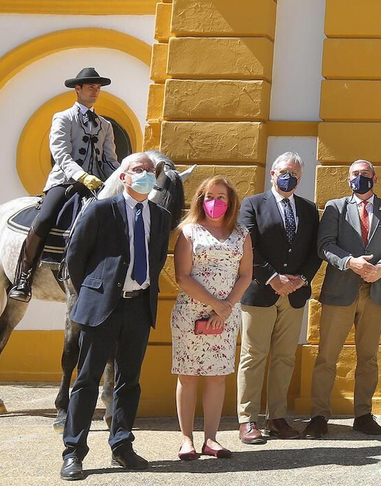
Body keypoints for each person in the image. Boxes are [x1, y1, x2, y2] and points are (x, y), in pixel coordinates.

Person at [59, 152, 172, 480]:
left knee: (129, 381)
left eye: (150, 171)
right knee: (87, 380)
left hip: (139, 307)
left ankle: (121, 444)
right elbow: (76, 257)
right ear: (124, 176)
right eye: (139, 170)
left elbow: (157, 259)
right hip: (102, 307)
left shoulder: (161, 216)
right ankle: (73, 451)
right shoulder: (100, 209)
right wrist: (94, 292)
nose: (146, 175)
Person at [309, 159, 381, 437]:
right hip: (340, 290)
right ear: (347, 178)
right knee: (327, 356)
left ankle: (363, 414)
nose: (360, 178)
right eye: (355, 174)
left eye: (365, 174)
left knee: (368, 357)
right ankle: (318, 415)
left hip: (374, 291)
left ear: (375, 178)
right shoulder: (335, 207)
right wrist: (350, 261)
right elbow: (324, 245)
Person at [11, 67, 118, 301]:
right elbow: (61, 154)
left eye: (98, 88)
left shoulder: (106, 125)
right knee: (46, 217)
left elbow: (110, 160)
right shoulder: (63, 118)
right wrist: (82, 176)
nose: (95, 91)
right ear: (77, 89)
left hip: (97, 184)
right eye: (91, 87)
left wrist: (122, 176)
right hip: (67, 181)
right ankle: (23, 277)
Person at [235, 152, 321, 444]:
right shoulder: (253, 204)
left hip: (294, 295)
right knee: (253, 355)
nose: (290, 177)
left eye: (296, 174)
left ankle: (277, 417)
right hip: (260, 292)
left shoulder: (309, 209)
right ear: (272, 173)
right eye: (285, 171)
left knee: (284, 357)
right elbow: (247, 246)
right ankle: (248, 420)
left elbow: (314, 252)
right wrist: (273, 277)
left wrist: (301, 279)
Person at [170, 177, 253, 460]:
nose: (214, 202)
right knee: (189, 376)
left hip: (226, 316)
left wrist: (227, 306)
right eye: (208, 196)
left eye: (221, 196)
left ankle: (211, 439)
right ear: (199, 200)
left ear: (230, 202)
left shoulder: (241, 234)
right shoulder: (188, 231)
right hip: (191, 314)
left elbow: (245, 275)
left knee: (217, 377)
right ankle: (186, 439)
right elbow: (182, 276)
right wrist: (216, 304)